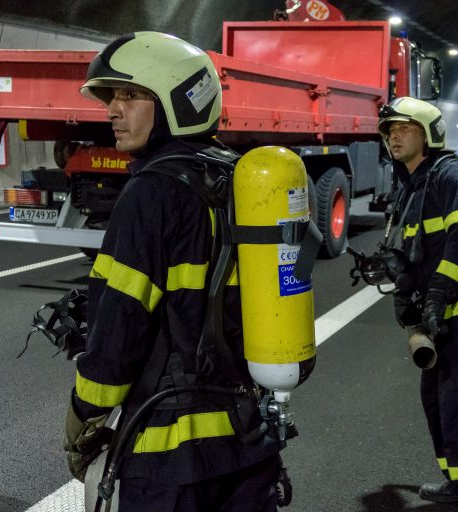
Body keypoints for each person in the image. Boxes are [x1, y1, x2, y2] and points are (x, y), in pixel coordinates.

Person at [63, 32, 282, 511]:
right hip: (250, 438)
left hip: (171, 457)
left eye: (131, 95)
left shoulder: (151, 191)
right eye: (111, 97)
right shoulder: (238, 176)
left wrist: (85, 413)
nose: (112, 110)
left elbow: (119, 323)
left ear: (176, 103)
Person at [377, 97, 458, 512]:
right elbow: (419, 250)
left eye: (404, 128)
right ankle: (457, 485)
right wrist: (403, 289)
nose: (394, 135)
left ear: (429, 134)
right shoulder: (411, 185)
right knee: (439, 406)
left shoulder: (453, 175)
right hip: (439, 318)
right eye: (389, 130)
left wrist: (435, 295)